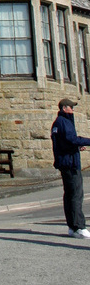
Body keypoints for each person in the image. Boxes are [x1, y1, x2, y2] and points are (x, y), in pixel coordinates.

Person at [51, 98, 90, 238]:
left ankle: (72, 226)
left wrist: (77, 145)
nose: (73, 110)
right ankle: (79, 226)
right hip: (70, 163)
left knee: (69, 195)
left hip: (65, 161)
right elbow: (71, 139)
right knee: (75, 195)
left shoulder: (59, 123)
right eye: (71, 107)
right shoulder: (63, 122)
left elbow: (66, 141)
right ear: (64, 108)